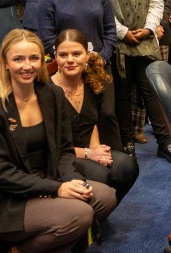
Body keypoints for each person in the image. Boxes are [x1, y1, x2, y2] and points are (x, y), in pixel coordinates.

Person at [0, 29, 117, 253]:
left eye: (33, 58)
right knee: (81, 213)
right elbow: (1, 173)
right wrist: (57, 189)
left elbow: (64, 151)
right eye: (18, 59)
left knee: (105, 196)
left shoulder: (51, 94)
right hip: (11, 198)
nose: (27, 66)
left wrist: (72, 180)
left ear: (42, 61)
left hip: (48, 178)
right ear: (5, 63)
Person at [86, 0, 171, 163]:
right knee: (123, 94)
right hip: (117, 43)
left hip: (144, 40)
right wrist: (123, 32)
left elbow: (157, 0)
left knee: (151, 91)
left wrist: (148, 27)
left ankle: (164, 141)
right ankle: (127, 142)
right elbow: (100, 6)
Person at [51, 29, 138, 203]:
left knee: (127, 166)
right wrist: (89, 153)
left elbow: (92, 122)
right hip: (61, 157)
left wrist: (97, 149)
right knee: (100, 174)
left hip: (88, 149)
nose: (70, 60)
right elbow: (53, 146)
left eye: (76, 54)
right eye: (63, 55)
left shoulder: (91, 81)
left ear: (87, 55)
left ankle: (101, 212)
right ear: (55, 57)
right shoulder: (47, 91)